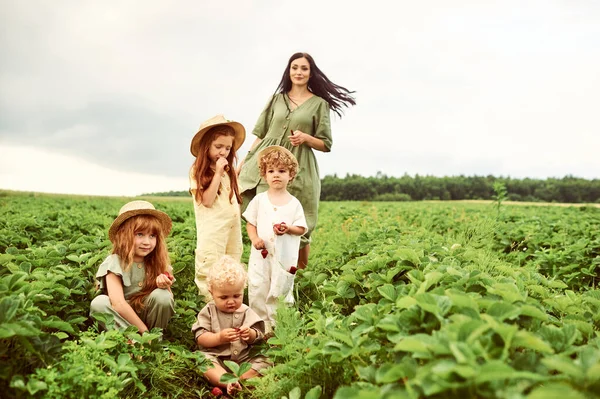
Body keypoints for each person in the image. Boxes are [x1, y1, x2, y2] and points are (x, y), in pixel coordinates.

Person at [237, 52, 355, 270]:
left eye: (304, 68)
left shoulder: (319, 104)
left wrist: (306, 138)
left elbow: (326, 144)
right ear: (288, 71)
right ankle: (264, 270)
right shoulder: (276, 99)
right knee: (264, 214)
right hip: (267, 164)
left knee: (299, 220)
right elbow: (261, 134)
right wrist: (245, 160)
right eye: (295, 67)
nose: (299, 72)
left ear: (311, 73)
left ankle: (299, 274)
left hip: (298, 167)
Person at [242, 146, 307, 331]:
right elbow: (250, 222)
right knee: (258, 287)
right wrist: (254, 238)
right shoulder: (259, 200)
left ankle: (280, 328)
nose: (276, 175)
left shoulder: (294, 204)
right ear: (264, 175)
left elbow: (301, 228)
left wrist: (288, 229)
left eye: (281, 171)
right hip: (261, 255)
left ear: (291, 175)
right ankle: (259, 328)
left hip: (283, 258)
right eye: (271, 171)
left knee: (280, 289)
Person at [90, 200, 175, 333]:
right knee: (99, 303)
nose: (147, 242)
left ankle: (156, 338)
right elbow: (118, 304)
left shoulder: (158, 262)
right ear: (124, 235)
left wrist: (165, 286)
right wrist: (144, 333)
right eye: (140, 234)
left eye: (152, 236)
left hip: (147, 313)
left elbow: (167, 303)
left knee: (162, 296)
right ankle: (132, 341)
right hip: (122, 318)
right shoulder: (114, 262)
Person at [191, 255, 270, 396]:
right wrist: (219, 338)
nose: (231, 301)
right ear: (212, 293)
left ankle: (240, 380)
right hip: (218, 359)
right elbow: (200, 338)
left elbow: (258, 336)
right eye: (224, 297)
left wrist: (250, 334)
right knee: (201, 360)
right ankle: (227, 381)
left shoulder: (247, 311)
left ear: (243, 291)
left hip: (244, 359)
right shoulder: (209, 311)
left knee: (266, 360)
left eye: (236, 296)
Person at [189, 114, 246, 299]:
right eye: (218, 147)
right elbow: (207, 200)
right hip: (213, 233)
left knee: (232, 267)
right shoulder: (198, 170)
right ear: (207, 146)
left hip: (231, 231)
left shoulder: (230, 173)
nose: (223, 152)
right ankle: (210, 312)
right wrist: (218, 173)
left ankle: (231, 308)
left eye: (228, 148)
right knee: (210, 270)